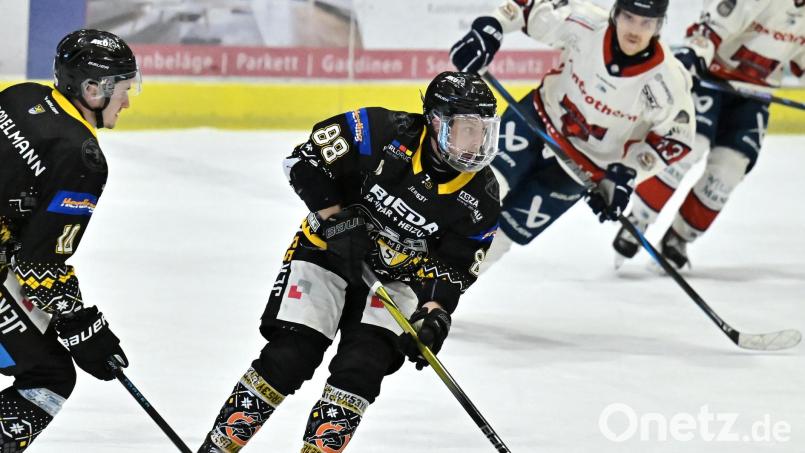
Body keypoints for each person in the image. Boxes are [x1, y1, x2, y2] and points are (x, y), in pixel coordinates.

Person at [198, 71, 501, 453]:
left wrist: (434, 313)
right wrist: (337, 218)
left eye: (484, 130)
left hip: (396, 280)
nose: (477, 143)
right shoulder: (379, 130)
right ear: (437, 121)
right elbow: (303, 160)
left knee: (362, 369)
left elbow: (454, 267)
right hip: (325, 252)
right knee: (291, 356)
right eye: (467, 129)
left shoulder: (483, 197)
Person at [451, 0, 696, 271]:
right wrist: (490, 29)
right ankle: (417, 264)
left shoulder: (669, 82)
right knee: (480, 189)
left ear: (660, 25)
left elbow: (677, 139)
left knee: (505, 232)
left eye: (646, 22)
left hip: (583, 167)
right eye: (628, 16)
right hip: (537, 120)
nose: (635, 29)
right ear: (615, 12)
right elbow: (525, 8)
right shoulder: (584, 23)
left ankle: (437, 291)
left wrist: (627, 173)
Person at [0, 29, 140, 450]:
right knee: (49, 375)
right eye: (123, 89)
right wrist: (85, 329)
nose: (127, 102)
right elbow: (38, 264)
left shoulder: (20, 95)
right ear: (94, 89)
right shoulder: (81, 157)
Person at [612, 0, 805, 269]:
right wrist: (694, 56)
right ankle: (639, 218)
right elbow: (710, 29)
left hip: (754, 97)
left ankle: (678, 238)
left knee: (729, 170)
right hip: (712, 78)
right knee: (691, 147)